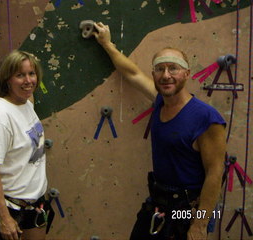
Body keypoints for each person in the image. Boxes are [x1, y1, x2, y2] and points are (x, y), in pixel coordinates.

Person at [92, 22, 227, 240]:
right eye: (160, 69)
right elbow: (132, 72)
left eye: (173, 68)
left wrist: (200, 224)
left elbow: (215, 174)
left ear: (186, 74)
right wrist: (107, 44)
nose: (166, 75)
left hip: (187, 210)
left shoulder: (206, 118)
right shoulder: (159, 102)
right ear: (154, 74)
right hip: (158, 203)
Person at [0, 50, 52, 240]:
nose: (28, 81)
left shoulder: (26, 103)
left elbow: (29, 94)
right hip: (9, 208)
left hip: (35, 203)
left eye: (32, 73)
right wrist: (4, 218)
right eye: (20, 75)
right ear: (7, 79)